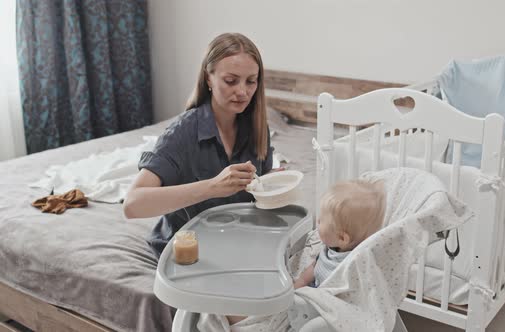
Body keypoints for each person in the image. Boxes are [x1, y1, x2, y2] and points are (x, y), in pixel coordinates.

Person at [123, 33, 274, 257]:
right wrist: (213, 186)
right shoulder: (182, 132)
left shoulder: (257, 127)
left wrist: (272, 185)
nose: (242, 92)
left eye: (251, 81)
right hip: (186, 250)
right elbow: (132, 205)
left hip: (236, 241)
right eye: (231, 81)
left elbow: (262, 190)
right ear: (208, 79)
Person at [227, 179, 386, 325]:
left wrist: (298, 293)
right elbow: (313, 268)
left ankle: (239, 316)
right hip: (304, 290)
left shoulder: (352, 266)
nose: (317, 223)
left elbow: (348, 299)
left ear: (342, 238)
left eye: (321, 221)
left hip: (313, 309)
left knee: (258, 312)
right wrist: (298, 283)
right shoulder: (333, 247)